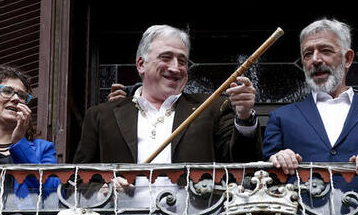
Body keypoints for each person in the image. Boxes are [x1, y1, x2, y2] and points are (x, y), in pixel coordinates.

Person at [74, 25, 261, 164]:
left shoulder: (213, 107)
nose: (175, 68)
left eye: (182, 61)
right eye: (166, 58)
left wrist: (244, 116)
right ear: (141, 64)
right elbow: (78, 182)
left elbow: (243, 164)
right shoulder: (100, 115)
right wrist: (104, 191)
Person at [263, 19, 358, 177]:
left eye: (325, 51)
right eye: (307, 54)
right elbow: (266, 178)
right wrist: (277, 159)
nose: (315, 60)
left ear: (348, 58)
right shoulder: (281, 118)